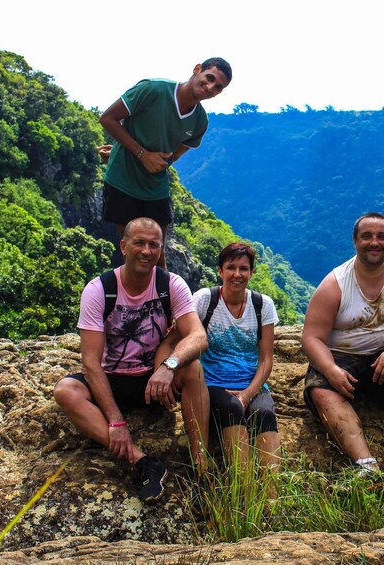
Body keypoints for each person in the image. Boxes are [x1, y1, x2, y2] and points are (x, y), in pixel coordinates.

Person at [53, 217, 210, 503]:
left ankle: (201, 468)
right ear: (123, 246)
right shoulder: (99, 290)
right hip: (112, 378)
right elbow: (90, 362)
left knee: (193, 369)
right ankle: (143, 462)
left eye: (153, 245)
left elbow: (197, 337)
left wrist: (168, 366)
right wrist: (115, 422)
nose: (146, 251)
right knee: (66, 391)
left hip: (153, 379)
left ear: (160, 250)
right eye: (139, 243)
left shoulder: (170, 284)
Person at [301, 212, 384, 489]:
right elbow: (312, 337)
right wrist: (330, 370)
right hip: (342, 356)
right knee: (320, 389)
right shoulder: (335, 283)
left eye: (381, 237)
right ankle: (367, 468)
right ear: (355, 241)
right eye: (367, 236)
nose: (374, 242)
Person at [156, 242, 281, 495]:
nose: (237, 274)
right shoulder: (205, 300)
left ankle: (272, 497)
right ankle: (243, 494)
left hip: (250, 382)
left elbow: (266, 358)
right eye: (231, 268)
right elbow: (175, 339)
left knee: (265, 413)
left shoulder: (262, 305)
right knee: (232, 408)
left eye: (244, 269)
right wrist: (166, 371)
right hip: (212, 383)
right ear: (220, 271)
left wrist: (249, 393)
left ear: (251, 273)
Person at [98, 57, 232, 268]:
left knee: (157, 256)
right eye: (209, 78)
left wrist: (136, 155)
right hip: (121, 182)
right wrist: (140, 154)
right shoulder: (153, 90)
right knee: (133, 254)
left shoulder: (199, 121)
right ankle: (132, 301)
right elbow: (107, 119)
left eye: (218, 87)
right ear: (197, 69)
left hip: (155, 189)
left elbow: (171, 157)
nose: (210, 87)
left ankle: (163, 301)